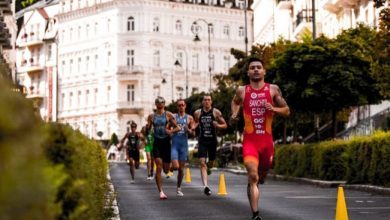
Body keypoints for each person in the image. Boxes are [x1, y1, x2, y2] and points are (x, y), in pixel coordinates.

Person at [231, 57, 290, 220]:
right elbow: (235, 102)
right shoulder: (242, 91)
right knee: (253, 176)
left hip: (267, 143)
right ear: (248, 72)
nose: (256, 69)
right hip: (250, 141)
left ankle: (254, 183)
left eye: (259, 67)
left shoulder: (273, 90)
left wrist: (274, 109)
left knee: (261, 177)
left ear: (264, 71)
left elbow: (287, 110)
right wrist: (235, 113)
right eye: (252, 67)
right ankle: (255, 214)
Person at [146, 96, 179, 200]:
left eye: (162, 103)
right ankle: (161, 192)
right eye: (158, 103)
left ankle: (172, 168)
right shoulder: (151, 116)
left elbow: (178, 127)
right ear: (156, 104)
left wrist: (170, 131)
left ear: (164, 104)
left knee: (166, 169)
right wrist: (147, 129)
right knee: (159, 167)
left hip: (166, 143)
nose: (160, 104)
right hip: (157, 143)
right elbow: (148, 128)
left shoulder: (168, 115)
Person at [194, 95, 227, 196]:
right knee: (202, 162)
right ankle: (206, 186)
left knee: (211, 163)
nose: (207, 102)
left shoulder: (216, 112)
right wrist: (192, 128)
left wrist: (218, 125)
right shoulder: (198, 113)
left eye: (208, 100)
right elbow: (195, 123)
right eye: (205, 100)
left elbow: (225, 125)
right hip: (202, 140)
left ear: (211, 102)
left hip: (212, 141)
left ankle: (209, 166)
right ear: (202, 102)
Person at [171, 99, 195, 196]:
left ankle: (179, 188)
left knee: (181, 169)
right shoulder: (174, 117)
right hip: (175, 145)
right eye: (179, 105)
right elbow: (168, 128)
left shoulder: (189, 118)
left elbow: (193, 133)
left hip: (183, 146)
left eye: (182, 105)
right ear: (177, 107)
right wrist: (170, 132)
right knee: (176, 166)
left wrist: (188, 130)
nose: (181, 107)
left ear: (185, 106)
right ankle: (171, 167)